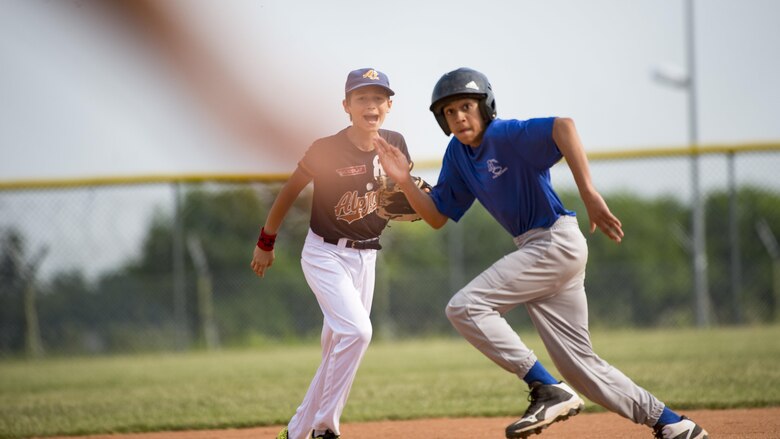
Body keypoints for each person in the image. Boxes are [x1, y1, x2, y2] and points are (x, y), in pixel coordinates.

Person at [375, 67, 709, 439]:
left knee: (465, 307)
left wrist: (589, 193)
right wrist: (404, 181)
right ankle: (673, 424)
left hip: (554, 242)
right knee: (582, 368)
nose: (459, 117)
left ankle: (546, 387)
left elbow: (563, 127)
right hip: (540, 249)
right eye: (450, 112)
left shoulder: (505, 134)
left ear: (485, 106)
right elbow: (437, 216)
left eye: (466, 106)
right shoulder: (457, 154)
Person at [251, 68, 412, 439]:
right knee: (357, 333)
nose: (370, 105)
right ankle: (325, 429)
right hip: (325, 255)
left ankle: (295, 432)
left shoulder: (396, 142)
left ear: (389, 104)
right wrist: (266, 242)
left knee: (336, 351)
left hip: (367, 258)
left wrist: (413, 200)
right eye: (361, 98)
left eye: (377, 98)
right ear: (346, 106)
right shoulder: (326, 148)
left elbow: (401, 198)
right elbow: (290, 191)